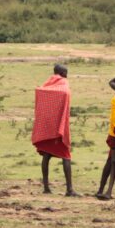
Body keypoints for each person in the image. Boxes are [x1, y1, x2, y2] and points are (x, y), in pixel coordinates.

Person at [32, 64, 76, 196]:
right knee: (66, 156)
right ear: (62, 73)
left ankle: (46, 187)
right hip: (58, 128)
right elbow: (65, 94)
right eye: (66, 72)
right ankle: (69, 189)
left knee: (46, 155)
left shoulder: (47, 84)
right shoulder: (63, 84)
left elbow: (40, 93)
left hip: (47, 127)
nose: (67, 75)